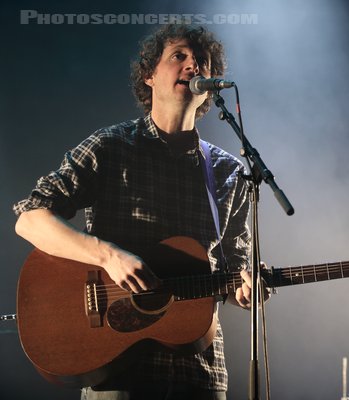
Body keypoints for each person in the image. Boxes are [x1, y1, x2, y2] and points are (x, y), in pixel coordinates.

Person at [13, 23, 255, 400]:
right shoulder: (111, 147)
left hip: (199, 371)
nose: (194, 66)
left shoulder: (229, 172)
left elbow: (233, 270)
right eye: (179, 56)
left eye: (202, 61)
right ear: (149, 75)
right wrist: (109, 257)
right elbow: (30, 218)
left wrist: (245, 286)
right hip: (118, 371)